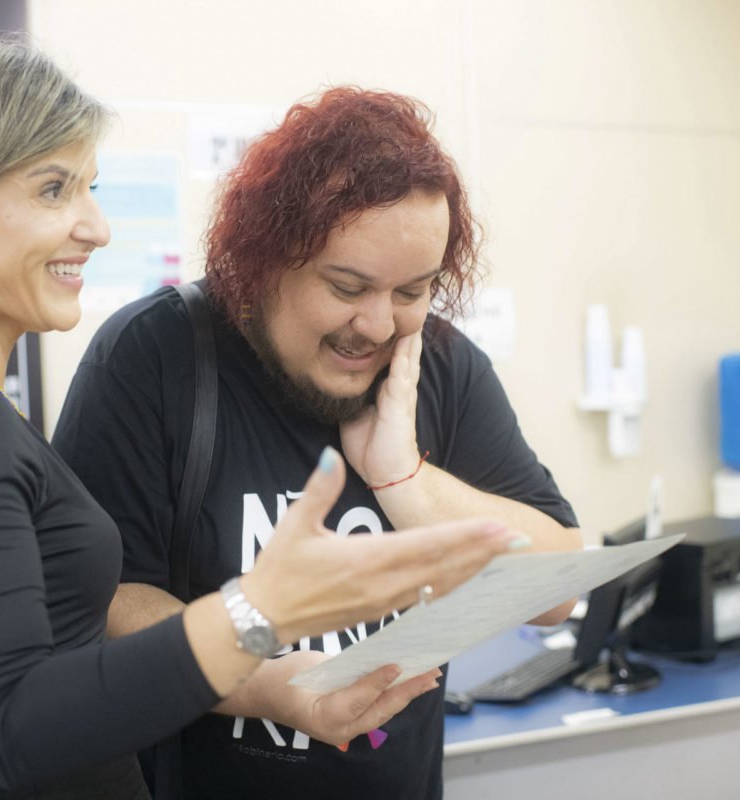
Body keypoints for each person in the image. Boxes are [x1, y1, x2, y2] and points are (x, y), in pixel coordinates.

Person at [0, 37, 531, 800]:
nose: (95, 226)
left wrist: (273, 678)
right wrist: (259, 612)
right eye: (53, 190)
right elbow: (9, 726)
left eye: (89, 188)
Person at [52, 87, 584, 799]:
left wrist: (406, 478)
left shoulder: (440, 367)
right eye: (346, 285)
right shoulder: (153, 358)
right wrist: (263, 683)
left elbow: (554, 593)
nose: (375, 325)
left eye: (411, 291)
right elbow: (100, 599)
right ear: (264, 258)